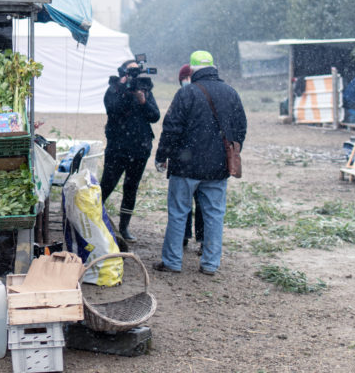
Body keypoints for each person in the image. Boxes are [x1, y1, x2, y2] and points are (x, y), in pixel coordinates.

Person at [153, 51, 246, 274]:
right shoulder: (231, 93)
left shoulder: (187, 93)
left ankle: (173, 262)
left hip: (185, 167)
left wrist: (161, 156)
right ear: (213, 67)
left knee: (178, 213)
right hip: (218, 167)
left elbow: (171, 129)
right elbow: (241, 128)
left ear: (192, 70)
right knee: (214, 215)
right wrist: (228, 151)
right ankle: (210, 264)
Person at [100, 58, 161, 242]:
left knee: (131, 188)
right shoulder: (114, 89)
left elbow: (155, 116)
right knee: (107, 185)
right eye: (130, 72)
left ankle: (124, 227)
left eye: (136, 72)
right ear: (122, 73)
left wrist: (143, 101)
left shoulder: (144, 90)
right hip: (117, 149)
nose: (134, 76)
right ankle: (94, 219)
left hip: (139, 150)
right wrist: (124, 91)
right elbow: (112, 109)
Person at [177, 64, 205, 254]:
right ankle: (185, 235)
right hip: (191, 159)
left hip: (196, 159)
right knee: (186, 202)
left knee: (198, 202)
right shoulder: (182, 97)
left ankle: (201, 238)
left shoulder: (200, 96)